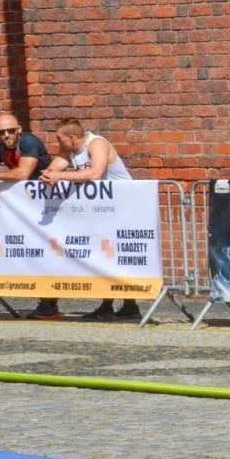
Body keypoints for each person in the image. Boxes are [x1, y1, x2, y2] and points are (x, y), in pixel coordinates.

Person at [41, 118, 139, 320]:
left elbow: (95, 173)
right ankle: (126, 306)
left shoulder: (97, 144)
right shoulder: (69, 150)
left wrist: (61, 176)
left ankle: (114, 306)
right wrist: (47, 176)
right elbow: (53, 170)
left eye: (59, 138)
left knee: (111, 255)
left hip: (123, 206)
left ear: (71, 137)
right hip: (102, 210)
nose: (56, 142)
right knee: (106, 255)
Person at [0, 112, 59, 318]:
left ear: (19, 130)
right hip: (27, 206)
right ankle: (47, 303)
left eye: (10, 130)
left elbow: (23, 173)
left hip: (48, 204)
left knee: (48, 251)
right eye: (1, 132)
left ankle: (51, 302)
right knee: (32, 251)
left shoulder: (29, 142)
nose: (6, 135)